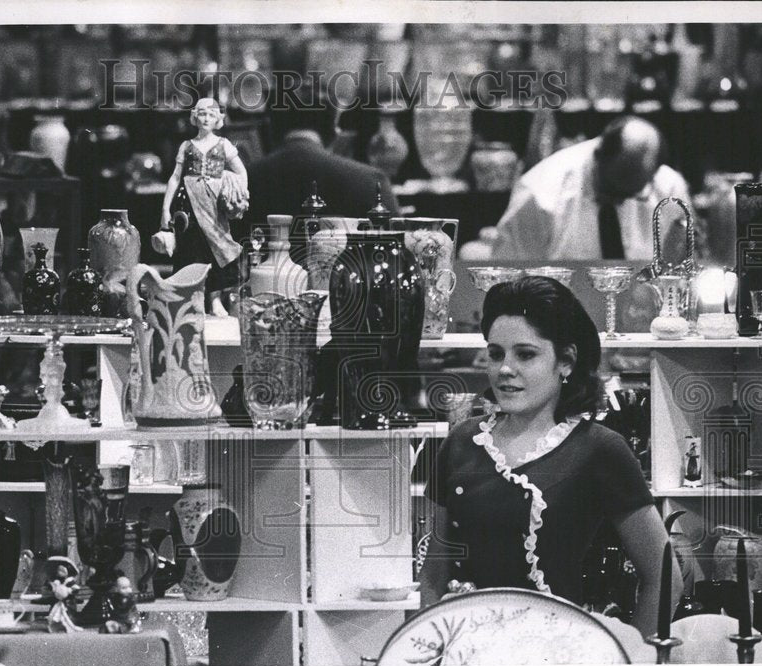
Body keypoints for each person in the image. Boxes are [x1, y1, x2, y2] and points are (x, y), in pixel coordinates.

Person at [421, 276, 681, 636]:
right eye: (496, 354)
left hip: (559, 656)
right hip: (466, 653)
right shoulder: (462, 441)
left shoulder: (600, 449)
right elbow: (434, 576)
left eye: (525, 354)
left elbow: (665, 577)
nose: (505, 369)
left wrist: (632, 664)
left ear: (566, 361)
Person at [491, 116, 690, 261]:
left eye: (632, 193)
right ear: (598, 156)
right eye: (612, 190)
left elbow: (679, 273)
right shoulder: (539, 194)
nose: (619, 201)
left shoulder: (669, 189)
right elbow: (509, 278)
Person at [235, 105, 399, 250]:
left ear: (271, 130)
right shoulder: (372, 181)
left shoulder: (242, 180)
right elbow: (395, 253)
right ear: (334, 132)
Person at [160, 97, 249, 317]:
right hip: (188, 204)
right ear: (194, 117)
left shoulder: (224, 145)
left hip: (215, 205)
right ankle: (192, 298)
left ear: (218, 118)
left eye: (211, 114)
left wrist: (236, 196)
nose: (206, 118)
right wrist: (165, 209)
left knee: (216, 249)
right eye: (202, 113)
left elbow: (241, 172)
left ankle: (215, 299)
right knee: (191, 249)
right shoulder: (186, 146)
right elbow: (174, 178)